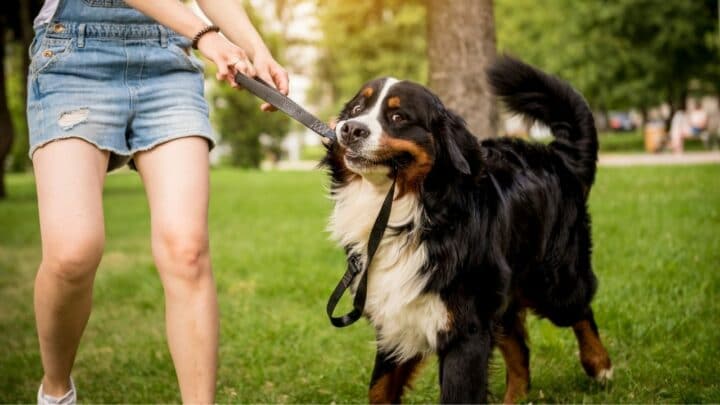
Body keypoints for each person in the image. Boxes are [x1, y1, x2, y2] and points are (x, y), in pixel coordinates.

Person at [28, 0, 288, 403]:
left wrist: (256, 48)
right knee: (72, 253)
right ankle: (56, 390)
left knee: (187, 250)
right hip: (73, 56)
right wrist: (205, 35)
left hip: (168, 58)